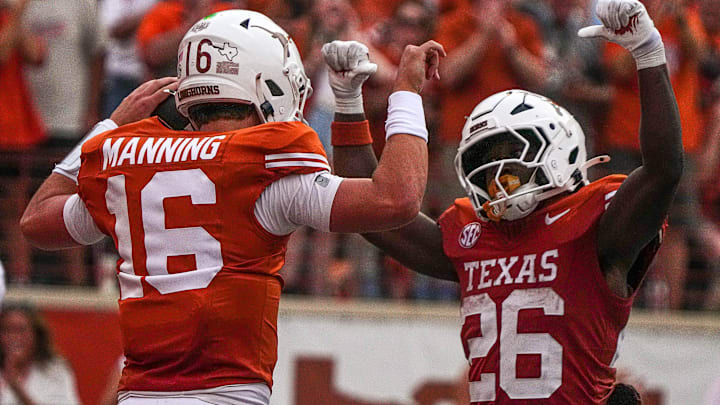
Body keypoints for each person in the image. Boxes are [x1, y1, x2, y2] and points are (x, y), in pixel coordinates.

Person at [19, 9, 444, 404]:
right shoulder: (270, 178)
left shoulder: (128, 169)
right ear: (267, 82)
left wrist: (108, 127)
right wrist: (405, 92)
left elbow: (37, 221)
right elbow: (396, 199)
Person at [331, 0, 682, 402]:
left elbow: (664, 169)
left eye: (507, 155)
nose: (495, 173)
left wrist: (648, 52)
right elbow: (369, 211)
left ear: (557, 150)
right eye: (484, 160)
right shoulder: (474, 235)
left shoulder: (595, 224)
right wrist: (347, 103)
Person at [0, 304, 80, 404]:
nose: (13, 338)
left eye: (21, 330)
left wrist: (18, 390)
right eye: (6, 330)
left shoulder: (55, 370)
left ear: (36, 335)